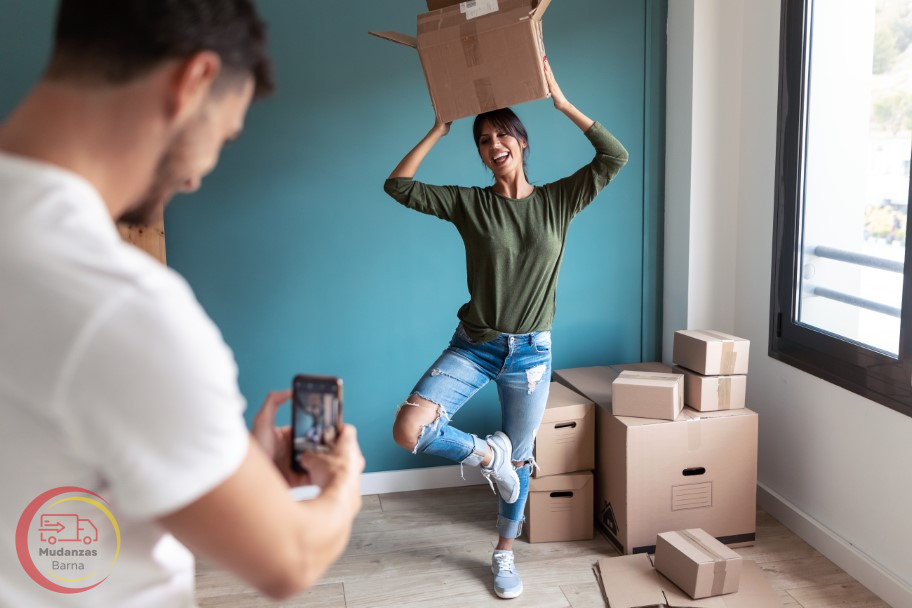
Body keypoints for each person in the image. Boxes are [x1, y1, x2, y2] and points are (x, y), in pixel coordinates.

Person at [0, 1, 364, 606]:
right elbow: (290, 559)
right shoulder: (119, 307)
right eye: (222, 135)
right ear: (192, 82)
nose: (199, 175)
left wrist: (217, 463)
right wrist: (346, 481)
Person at [384, 58, 628, 599]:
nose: (493, 144)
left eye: (502, 135)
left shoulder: (560, 200)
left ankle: (503, 554)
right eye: (482, 139)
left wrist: (561, 101)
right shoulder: (469, 204)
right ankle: (487, 456)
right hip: (475, 346)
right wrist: (437, 129)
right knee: (411, 430)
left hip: (531, 354)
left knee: (521, 458)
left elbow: (615, 155)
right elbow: (398, 187)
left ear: (522, 142)